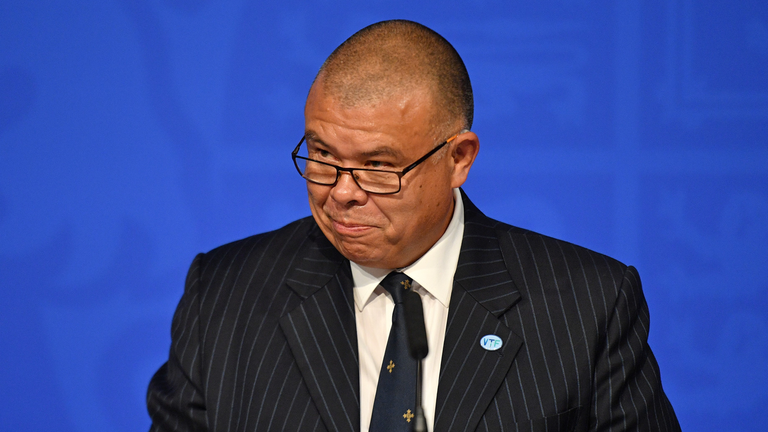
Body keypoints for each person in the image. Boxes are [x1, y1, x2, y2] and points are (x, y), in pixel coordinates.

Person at [147, 19, 680, 432]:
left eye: (378, 166)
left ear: (459, 159)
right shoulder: (221, 296)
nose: (341, 191)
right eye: (321, 154)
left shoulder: (587, 306)